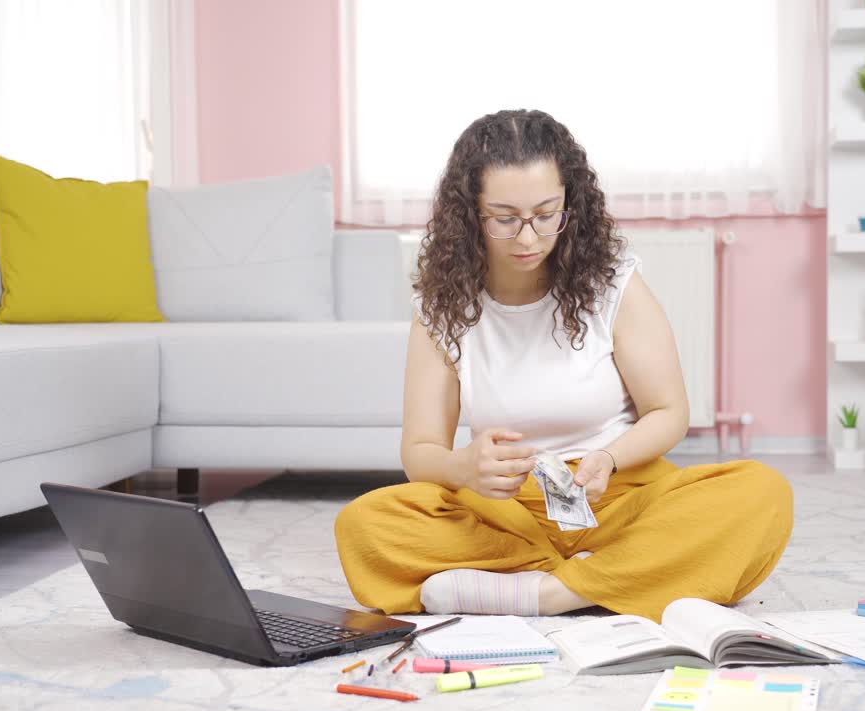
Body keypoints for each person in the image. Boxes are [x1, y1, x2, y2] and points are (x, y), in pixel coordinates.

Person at [335, 109, 792, 622]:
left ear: (570, 205)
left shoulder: (614, 284)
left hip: (616, 498)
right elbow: (420, 452)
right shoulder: (441, 309)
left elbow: (668, 412)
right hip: (504, 509)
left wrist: (612, 457)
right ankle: (620, 577)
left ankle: (551, 592)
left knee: (761, 494)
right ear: (470, 216)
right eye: (505, 219)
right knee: (364, 525)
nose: (528, 238)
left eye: (546, 214)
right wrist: (463, 467)